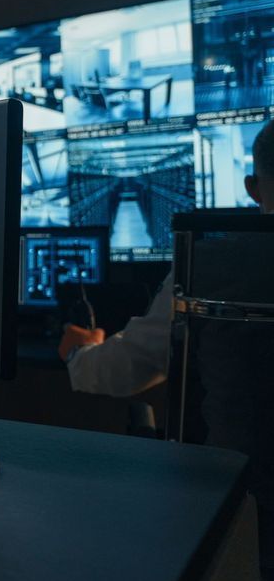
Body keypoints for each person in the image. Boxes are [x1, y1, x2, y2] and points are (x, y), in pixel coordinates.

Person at [58, 119, 274, 396]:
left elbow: (127, 368)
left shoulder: (207, 265)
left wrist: (79, 352)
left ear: (252, 188)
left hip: (233, 426)